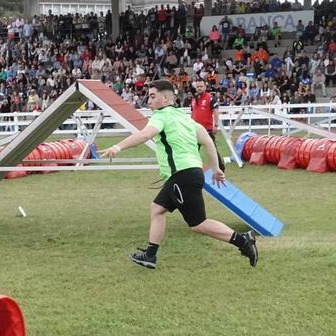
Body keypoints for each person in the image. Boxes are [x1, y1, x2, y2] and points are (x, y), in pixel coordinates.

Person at [100, 79, 257, 270]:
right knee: (157, 209)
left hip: (182, 176)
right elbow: (208, 142)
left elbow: (144, 135)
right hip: (189, 174)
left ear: (165, 98)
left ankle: (243, 241)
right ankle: (150, 256)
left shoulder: (161, 115)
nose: (148, 100)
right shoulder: (185, 118)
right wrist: (216, 169)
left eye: (152, 96)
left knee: (198, 224)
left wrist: (118, 147)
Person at [190, 78, 224, 172]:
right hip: (195, 130)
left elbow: (216, 111)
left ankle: (221, 169)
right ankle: (192, 170)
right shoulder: (193, 99)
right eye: (197, 86)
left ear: (205, 87)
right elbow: (192, 114)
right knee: (192, 151)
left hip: (207, 131)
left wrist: (216, 125)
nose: (199, 88)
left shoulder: (210, 98)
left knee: (213, 151)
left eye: (201, 86)